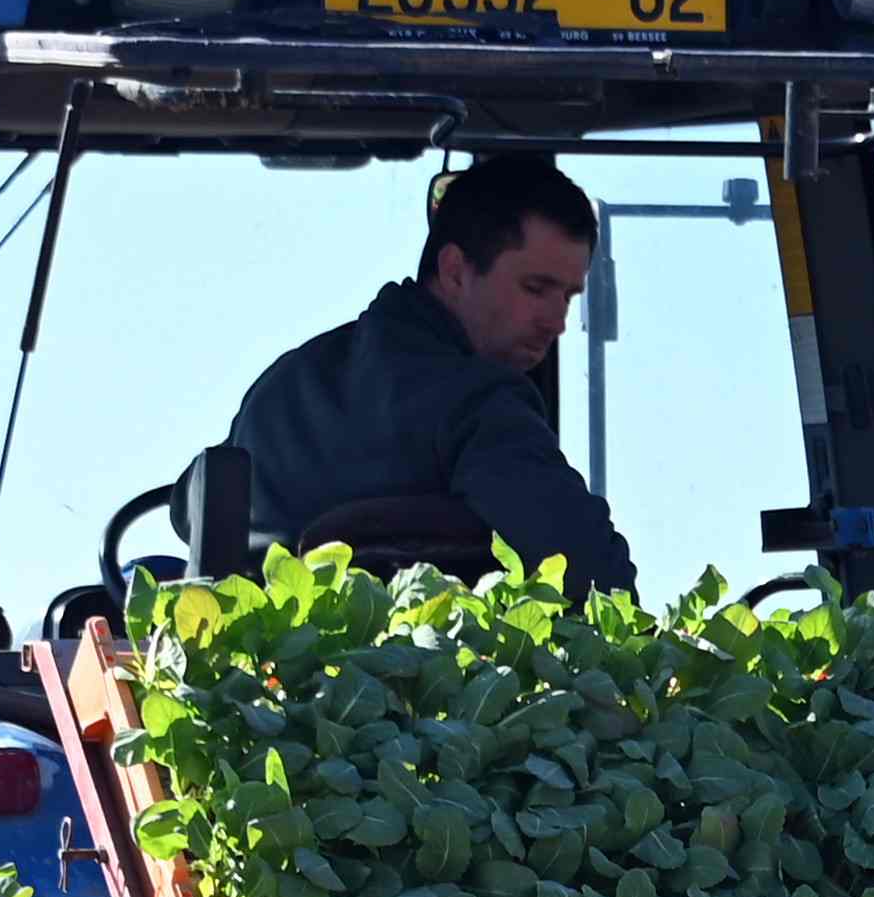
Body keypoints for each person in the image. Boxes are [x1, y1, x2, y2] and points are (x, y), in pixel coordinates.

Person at [220, 151, 639, 595]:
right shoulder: (478, 404)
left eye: (568, 297)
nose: (556, 322)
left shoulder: (283, 384)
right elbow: (594, 579)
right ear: (456, 270)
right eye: (535, 289)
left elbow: (194, 507)